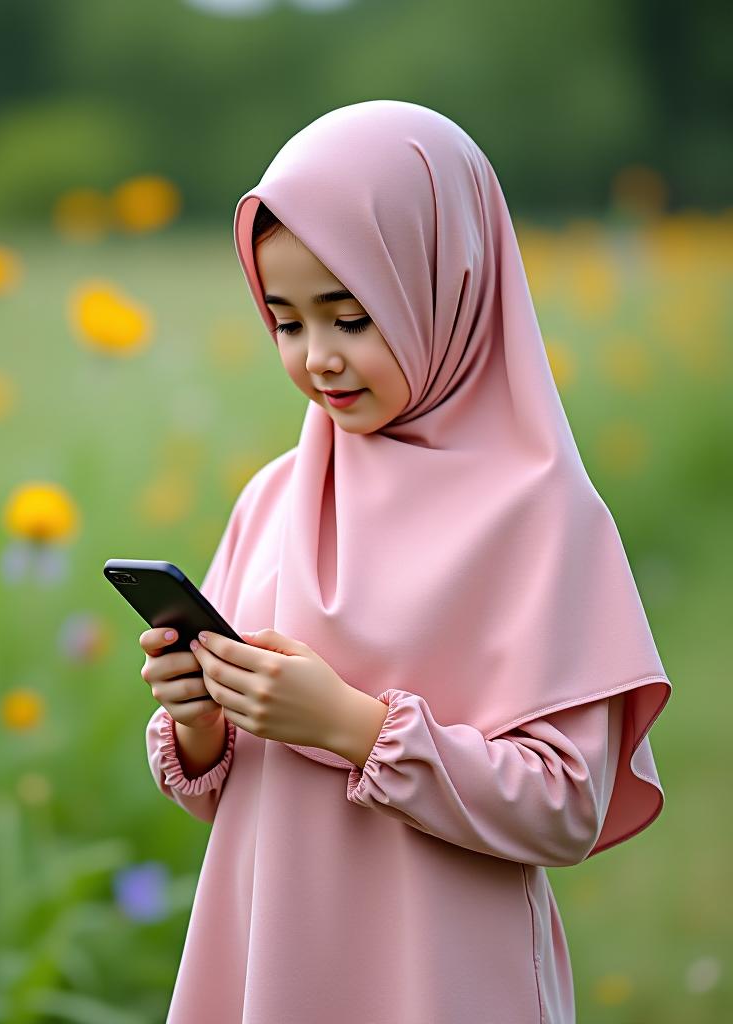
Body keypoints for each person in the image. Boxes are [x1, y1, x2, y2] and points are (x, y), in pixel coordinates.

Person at [141, 100, 672, 1024]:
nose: (318, 361)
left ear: (448, 283)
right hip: (272, 958)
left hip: (441, 975)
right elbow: (226, 797)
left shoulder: (542, 516)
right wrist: (201, 723)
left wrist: (353, 726)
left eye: (351, 317)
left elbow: (566, 806)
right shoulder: (274, 497)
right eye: (286, 323)